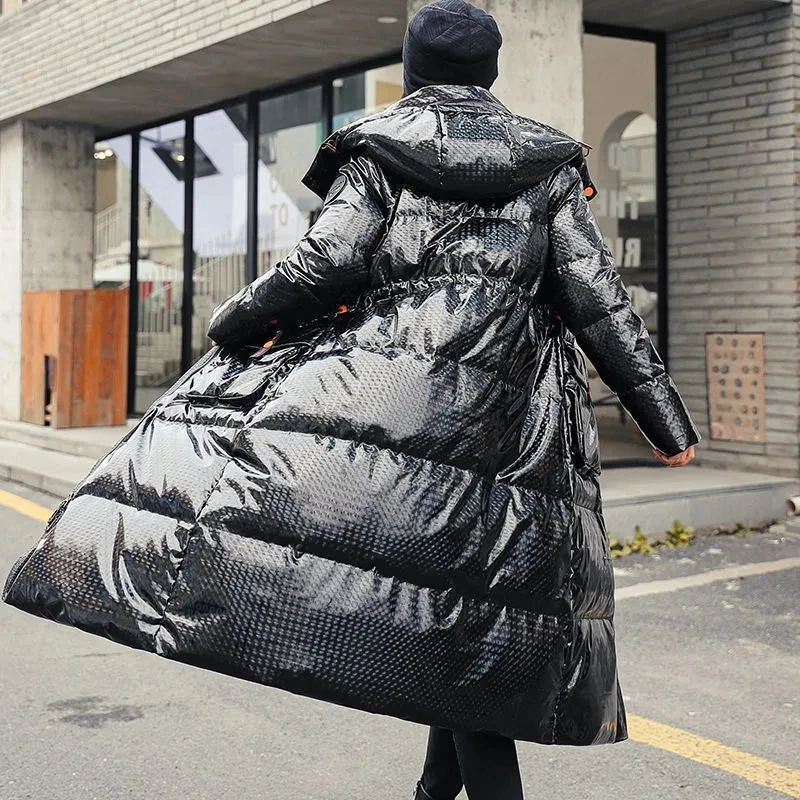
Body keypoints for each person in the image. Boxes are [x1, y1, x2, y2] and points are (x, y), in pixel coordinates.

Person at [4, 1, 698, 798]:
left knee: (463, 629)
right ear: (491, 74)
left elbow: (320, 267)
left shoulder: (379, 155)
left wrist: (234, 324)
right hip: (507, 444)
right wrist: (664, 423)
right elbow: (600, 304)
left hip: (396, 425)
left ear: (414, 71)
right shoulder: (545, 168)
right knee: (466, 621)